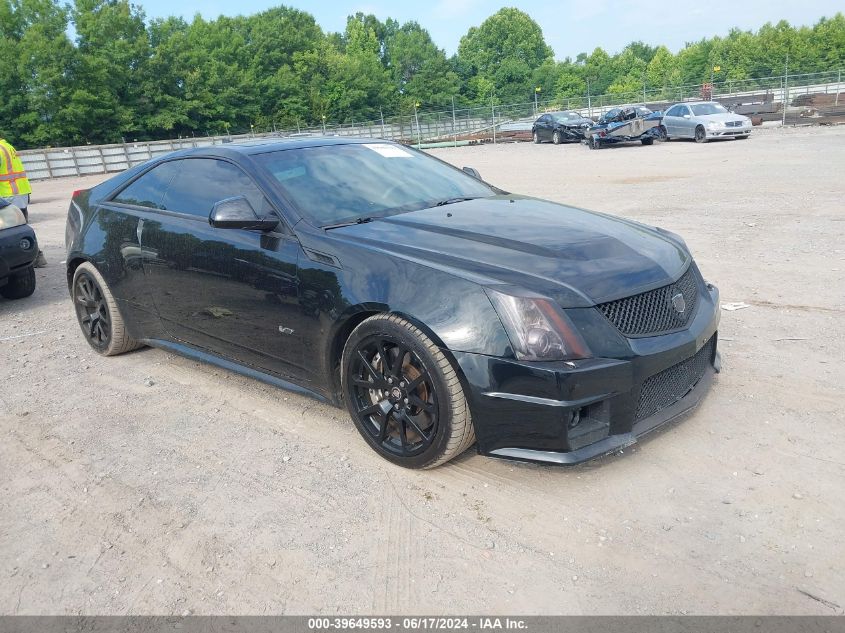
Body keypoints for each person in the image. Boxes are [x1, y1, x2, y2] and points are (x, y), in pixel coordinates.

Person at [1, 136, 46, 267]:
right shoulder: (7, 146)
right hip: (19, 193)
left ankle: (29, 258)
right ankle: (36, 258)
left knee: (12, 231)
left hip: (8, 194)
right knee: (21, 227)